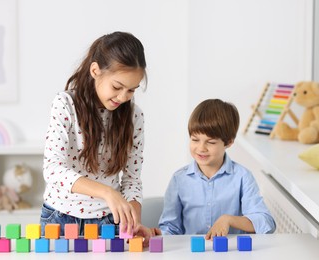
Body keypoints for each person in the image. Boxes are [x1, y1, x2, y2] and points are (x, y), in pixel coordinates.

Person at [40, 31, 151, 245]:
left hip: (108, 222)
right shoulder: (65, 105)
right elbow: (53, 169)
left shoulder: (134, 116)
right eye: (117, 87)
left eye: (131, 90)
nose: (123, 97)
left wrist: (133, 219)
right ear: (95, 70)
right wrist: (108, 193)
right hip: (60, 218)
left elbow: (132, 179)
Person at [153, 99, 276, 239]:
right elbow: (171, 228)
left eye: (210, 142)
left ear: (229, 142)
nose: (201, 148)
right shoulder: (179, 179)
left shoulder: (242, 177)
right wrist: (159, 234)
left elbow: (266, 223)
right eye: (195, 140)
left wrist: (228, 219)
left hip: (230, 253)